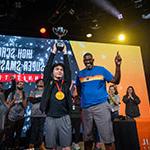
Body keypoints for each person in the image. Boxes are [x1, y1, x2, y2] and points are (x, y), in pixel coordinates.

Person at [76, 52, 122, 150]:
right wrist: (84, 101)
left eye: (89, 60)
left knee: (107, 138)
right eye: (85, 60)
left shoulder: (101, 70)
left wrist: (118, 65)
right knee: (87, 138)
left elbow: (116, 80)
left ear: (93, 60)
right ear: (83, 61)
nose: (87, 62)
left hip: (101, 106)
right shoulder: (80, 74)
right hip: (86, 109)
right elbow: (79, 90)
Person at [40, 44, 72, 150]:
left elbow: (68, 71)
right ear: (53, 72)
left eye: (61, 70)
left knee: (66, 146)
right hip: (50, 117)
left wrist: (65, 53)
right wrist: (53, 52)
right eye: (57, 69)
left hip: (64, 117)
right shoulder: (48, 82)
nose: (59, 71)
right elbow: (47, 68)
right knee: (50, 146)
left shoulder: (66, 83)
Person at [4, 81, 27, 149]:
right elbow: (8, 105)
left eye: (22, 84)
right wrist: (14, 100)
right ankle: (9, 146)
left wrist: (22, 98)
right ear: (17, 85)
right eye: (20, 84)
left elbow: (25, 106)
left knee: (18, 133)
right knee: (10, 133)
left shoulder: (25, 94)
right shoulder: (12, 93)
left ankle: (17, 146)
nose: (21, 85)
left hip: (20, 117)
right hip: (12, 116)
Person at [28, 79, 46, 150]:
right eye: (39, 82)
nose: (41, 82)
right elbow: (32, 100)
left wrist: (38, 99)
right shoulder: (33, 91)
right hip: (34, 114)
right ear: (37, 83)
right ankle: (31, 145)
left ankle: (41, 145)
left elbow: (47, 100)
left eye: (42, 82)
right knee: (34, 130)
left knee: (41, 130)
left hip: (43, 114)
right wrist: (42, 99)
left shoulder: (46, 92)